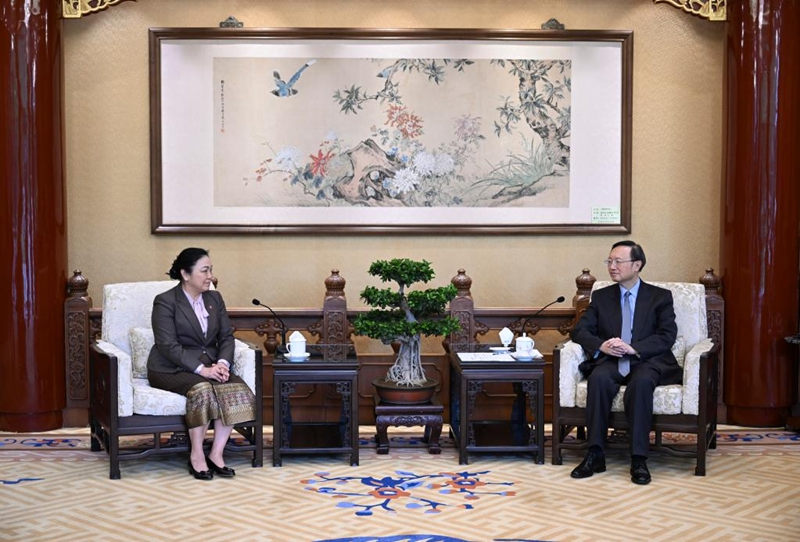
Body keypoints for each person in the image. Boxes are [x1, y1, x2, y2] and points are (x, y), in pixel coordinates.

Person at [569, 240, 681, 485]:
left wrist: (635, 348)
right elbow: (580, 331)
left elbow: (667, 335)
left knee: (641, 384)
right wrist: (601, 345)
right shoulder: (601, 297)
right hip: (612, 359)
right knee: (598, 379)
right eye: (609, 261)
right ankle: (595, 453)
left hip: (645, 360)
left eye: (618, 261)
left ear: (637, 265)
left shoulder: (659, 297)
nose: (612, 266)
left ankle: (639, 458)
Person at [147, 248, 257, 480]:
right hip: (169, 368)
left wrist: (223, 364)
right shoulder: (165, 302)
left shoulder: (214, 298)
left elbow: (226, 337)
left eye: (211, 270)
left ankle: (216, 454)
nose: (210, 276)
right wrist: (203, 370)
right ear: (185, 274)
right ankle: (197, 455)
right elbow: (167, 346)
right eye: (204, 271)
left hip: (209, 364)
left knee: (236, 389)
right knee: (203, 391)